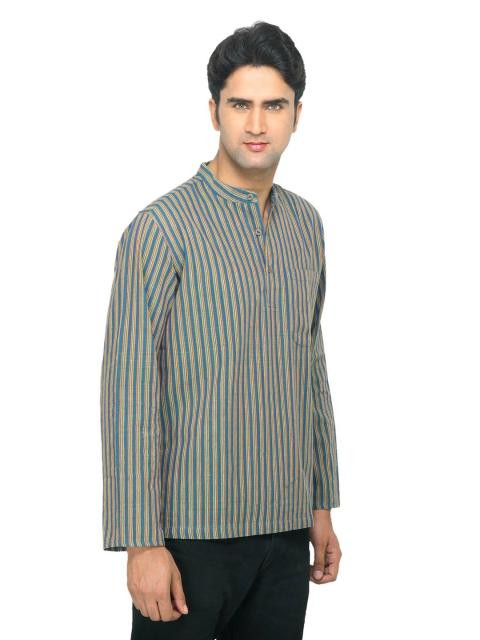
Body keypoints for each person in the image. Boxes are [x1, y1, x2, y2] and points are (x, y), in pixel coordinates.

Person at [100, 20, 342, 640]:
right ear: (214, 111)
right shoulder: (162, 229)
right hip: (189, 539)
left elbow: (310, 368)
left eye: (274, 106)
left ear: (297, 114)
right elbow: (129, 392)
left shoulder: (305, 225)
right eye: (240, 105)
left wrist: (320, 505)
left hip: (286, 534)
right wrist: (141, 543)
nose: (256, 124)